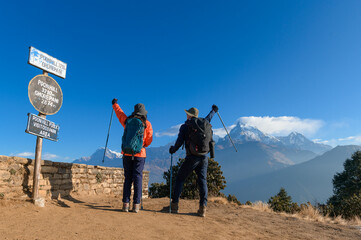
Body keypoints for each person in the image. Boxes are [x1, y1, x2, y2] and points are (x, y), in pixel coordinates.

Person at [169, 104, 218, 217]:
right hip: (204, 157)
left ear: (189, 115)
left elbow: (179, 141)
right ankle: (202, 208)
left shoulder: (186, 126)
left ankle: (175, 205)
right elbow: (209, 117)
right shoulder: (204, 123)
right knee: (202, 181)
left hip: (191, 157)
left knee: (180, 179)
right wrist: (214, 110)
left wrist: (173, 150)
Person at [112, 98, 153, 213]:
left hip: (127, 153)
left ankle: (125, 204)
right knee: (138, 178)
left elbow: (120, 114)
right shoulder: (147, 124)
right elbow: (149, 141)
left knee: (128, 178)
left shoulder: (127, 121)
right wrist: (142, 144)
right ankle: (136, 205)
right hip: (140, 154)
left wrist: (115, 104)